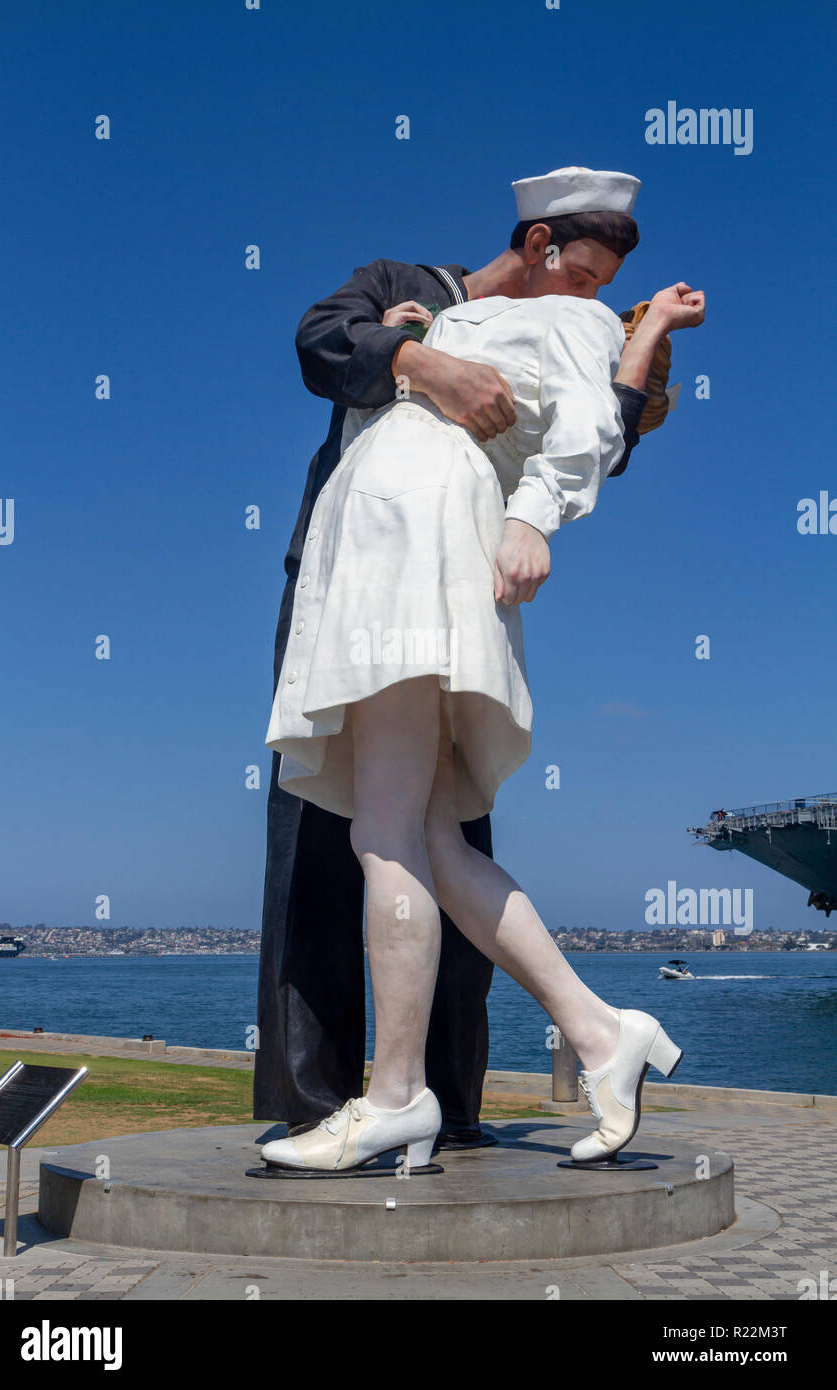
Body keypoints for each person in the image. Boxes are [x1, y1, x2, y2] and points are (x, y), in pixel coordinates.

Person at [258, 169, 706, 1172]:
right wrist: (421, 341)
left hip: (409, 538)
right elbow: (331, 347)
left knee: (383, 829)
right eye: (581, 272)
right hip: (381, 540)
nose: (588, 295)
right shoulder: (446, 304)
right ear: (542, 245)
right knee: (423, 832)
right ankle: (595, 1034)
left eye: (603, 286)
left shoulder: (573, 324)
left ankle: (400, 1091)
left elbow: (598, 429)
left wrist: (526, 517)